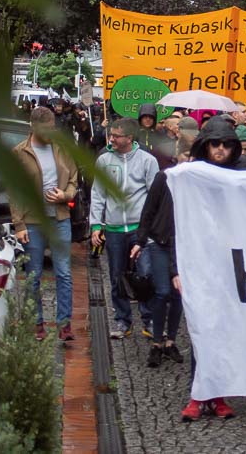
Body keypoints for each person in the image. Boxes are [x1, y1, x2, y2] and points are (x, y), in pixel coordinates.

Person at [132, 119, 240, 421]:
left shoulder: (241, 176)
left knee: (224, 332)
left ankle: (218, 394)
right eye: (215, 143)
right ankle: (199, 394)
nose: (220, 149)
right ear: (205, 146)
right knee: (200, 329)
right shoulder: (187, 178)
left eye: (226, 144)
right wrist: (178, 268)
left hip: (231, 267)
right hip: (197, 265)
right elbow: (182, 226)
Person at [11, 107, 79, 341]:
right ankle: (36, 322)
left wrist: (66, 195)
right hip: (32, 219)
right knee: (34, 274)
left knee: (64, 272)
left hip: (59, 217)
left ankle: (64, 324)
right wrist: (18, 225)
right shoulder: (20, 152)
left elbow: (73, 178)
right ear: (33, 127)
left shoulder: (61, 148)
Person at [90, 118, 159, 339]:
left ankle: (149, 320)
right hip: (114, 229)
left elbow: (154, 196)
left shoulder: (148, 161)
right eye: (112, 135)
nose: (112, 139)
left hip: (139, 229)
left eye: (117, 136)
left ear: (129, 137)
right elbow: (98, 194)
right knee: (117, 276)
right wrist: (95, 225)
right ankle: (122, 320)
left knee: (145, 275)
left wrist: (150, 229)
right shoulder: (104, 160)